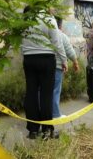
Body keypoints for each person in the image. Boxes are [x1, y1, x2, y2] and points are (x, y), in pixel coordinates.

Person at [21, 7, 67, 140]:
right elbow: (57, 42)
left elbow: (21, 44)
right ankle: (47, 130)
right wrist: (64, 60)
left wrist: (25, 57)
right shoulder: (48, 19)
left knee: (31, 93)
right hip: (46, 59)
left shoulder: (25, 20)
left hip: (29, 59)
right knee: (46, 95)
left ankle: (33, 131)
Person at [53, 17, 79, 119]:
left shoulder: (45, 35)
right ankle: (55, 114)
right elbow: (69, 50)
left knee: (44, 90)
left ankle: (44, 114)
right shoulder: (61, 35)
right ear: (60, 25)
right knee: (55, 90)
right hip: (58, 66)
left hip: (46, 66)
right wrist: (75, 62)